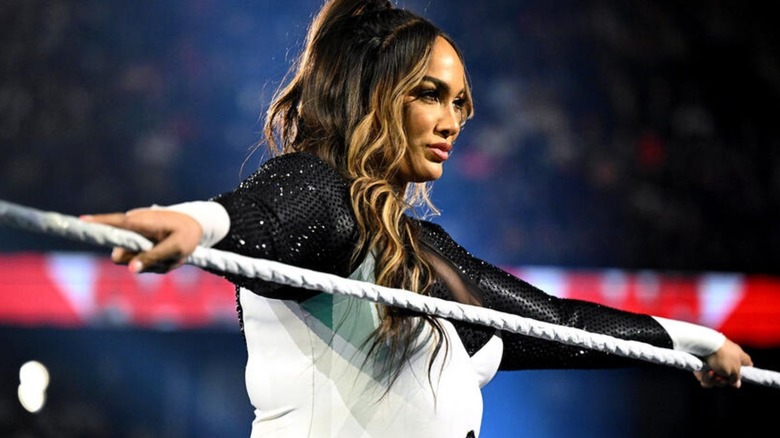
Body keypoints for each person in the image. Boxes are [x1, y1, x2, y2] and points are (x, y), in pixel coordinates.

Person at [82, 0, 753, 436]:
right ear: (374, 96)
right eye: (430, 95)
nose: (451, 121)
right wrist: (197, 225)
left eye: (459, 103)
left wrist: (696, 341)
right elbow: (270, 214)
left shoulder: (426, 250)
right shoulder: (323, 192)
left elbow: (562, 325)